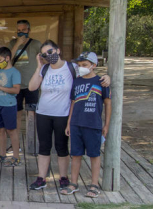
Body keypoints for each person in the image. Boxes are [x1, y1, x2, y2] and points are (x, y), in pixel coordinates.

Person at [28, 40, 110, 190]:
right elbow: (32, 87)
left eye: (50, 52)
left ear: (58, 50)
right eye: (45, 54)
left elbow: (90, 74)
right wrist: (39, 66)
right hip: (43, 113)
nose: (48, 56)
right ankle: (41, 178)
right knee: (44, 147)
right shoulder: (45, 69)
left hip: (63, 113)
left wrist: (106, 77)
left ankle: (63, 178)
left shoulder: (72, 68)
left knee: (61, 147)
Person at [63, 52, 111, 198]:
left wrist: (106, 125)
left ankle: (94, 184)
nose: (81, 67)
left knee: (94, 155)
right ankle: (73, 183)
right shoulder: (76, 81)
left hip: (93, 125)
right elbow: (72, 103)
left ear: (93, 66)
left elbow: (108, 104)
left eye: (85, 65)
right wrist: (69, 123)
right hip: (76, 124)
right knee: (76, 154)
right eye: (79, 65)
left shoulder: (101, 81)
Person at [7, 20, 42, 138]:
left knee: (32, 114)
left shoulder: (36, 44)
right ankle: (16, 141)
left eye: (24, 30)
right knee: (16, 113)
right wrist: (17, 44)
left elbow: (44, 60)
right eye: (19, 30)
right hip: (16, 85)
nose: (21, 32)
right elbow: (8, 59)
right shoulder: (12, 43)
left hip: (31, 84)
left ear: (29, 30)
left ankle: (32, 140)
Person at [0, 47, 21, 167]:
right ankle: (2, 154)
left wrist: (0, 87)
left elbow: (16, 90)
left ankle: (16, 157)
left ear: (7, 58)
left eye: (0, 60)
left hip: (9, 105)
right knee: (0, 130)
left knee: (11, 131)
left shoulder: (15, 72)